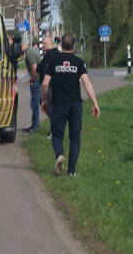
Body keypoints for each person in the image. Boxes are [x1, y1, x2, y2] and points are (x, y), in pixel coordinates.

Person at [41, 32, 100, 176]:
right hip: (75, 105)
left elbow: (44, 83)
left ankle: (59, 155)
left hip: (58, 104)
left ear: (60, 44)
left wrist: (44, 100)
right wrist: (95, 103)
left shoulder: (54, 61)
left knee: (57, 136)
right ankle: (72, 172)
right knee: (74, 138)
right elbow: (86, 83)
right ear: (74, 46)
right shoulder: (78, 62)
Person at [35, 36, 59, 136]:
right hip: (56, 85)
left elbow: (39, 68)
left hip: (49, 85)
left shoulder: (50, 55)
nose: (43, 45)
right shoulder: (56, 54)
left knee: (48, 107)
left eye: (45, 43)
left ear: (51, 44)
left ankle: (54, 131)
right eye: (43, 43)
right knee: (50, 107)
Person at [23, 40, 43, 132]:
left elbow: (34, 67)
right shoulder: (31, 50)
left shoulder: (29, 53)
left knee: (34, 104)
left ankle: (35, 127)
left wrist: (33, 79)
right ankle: (34, 125)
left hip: (37, 81)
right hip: (40, 80)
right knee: (42, 103)